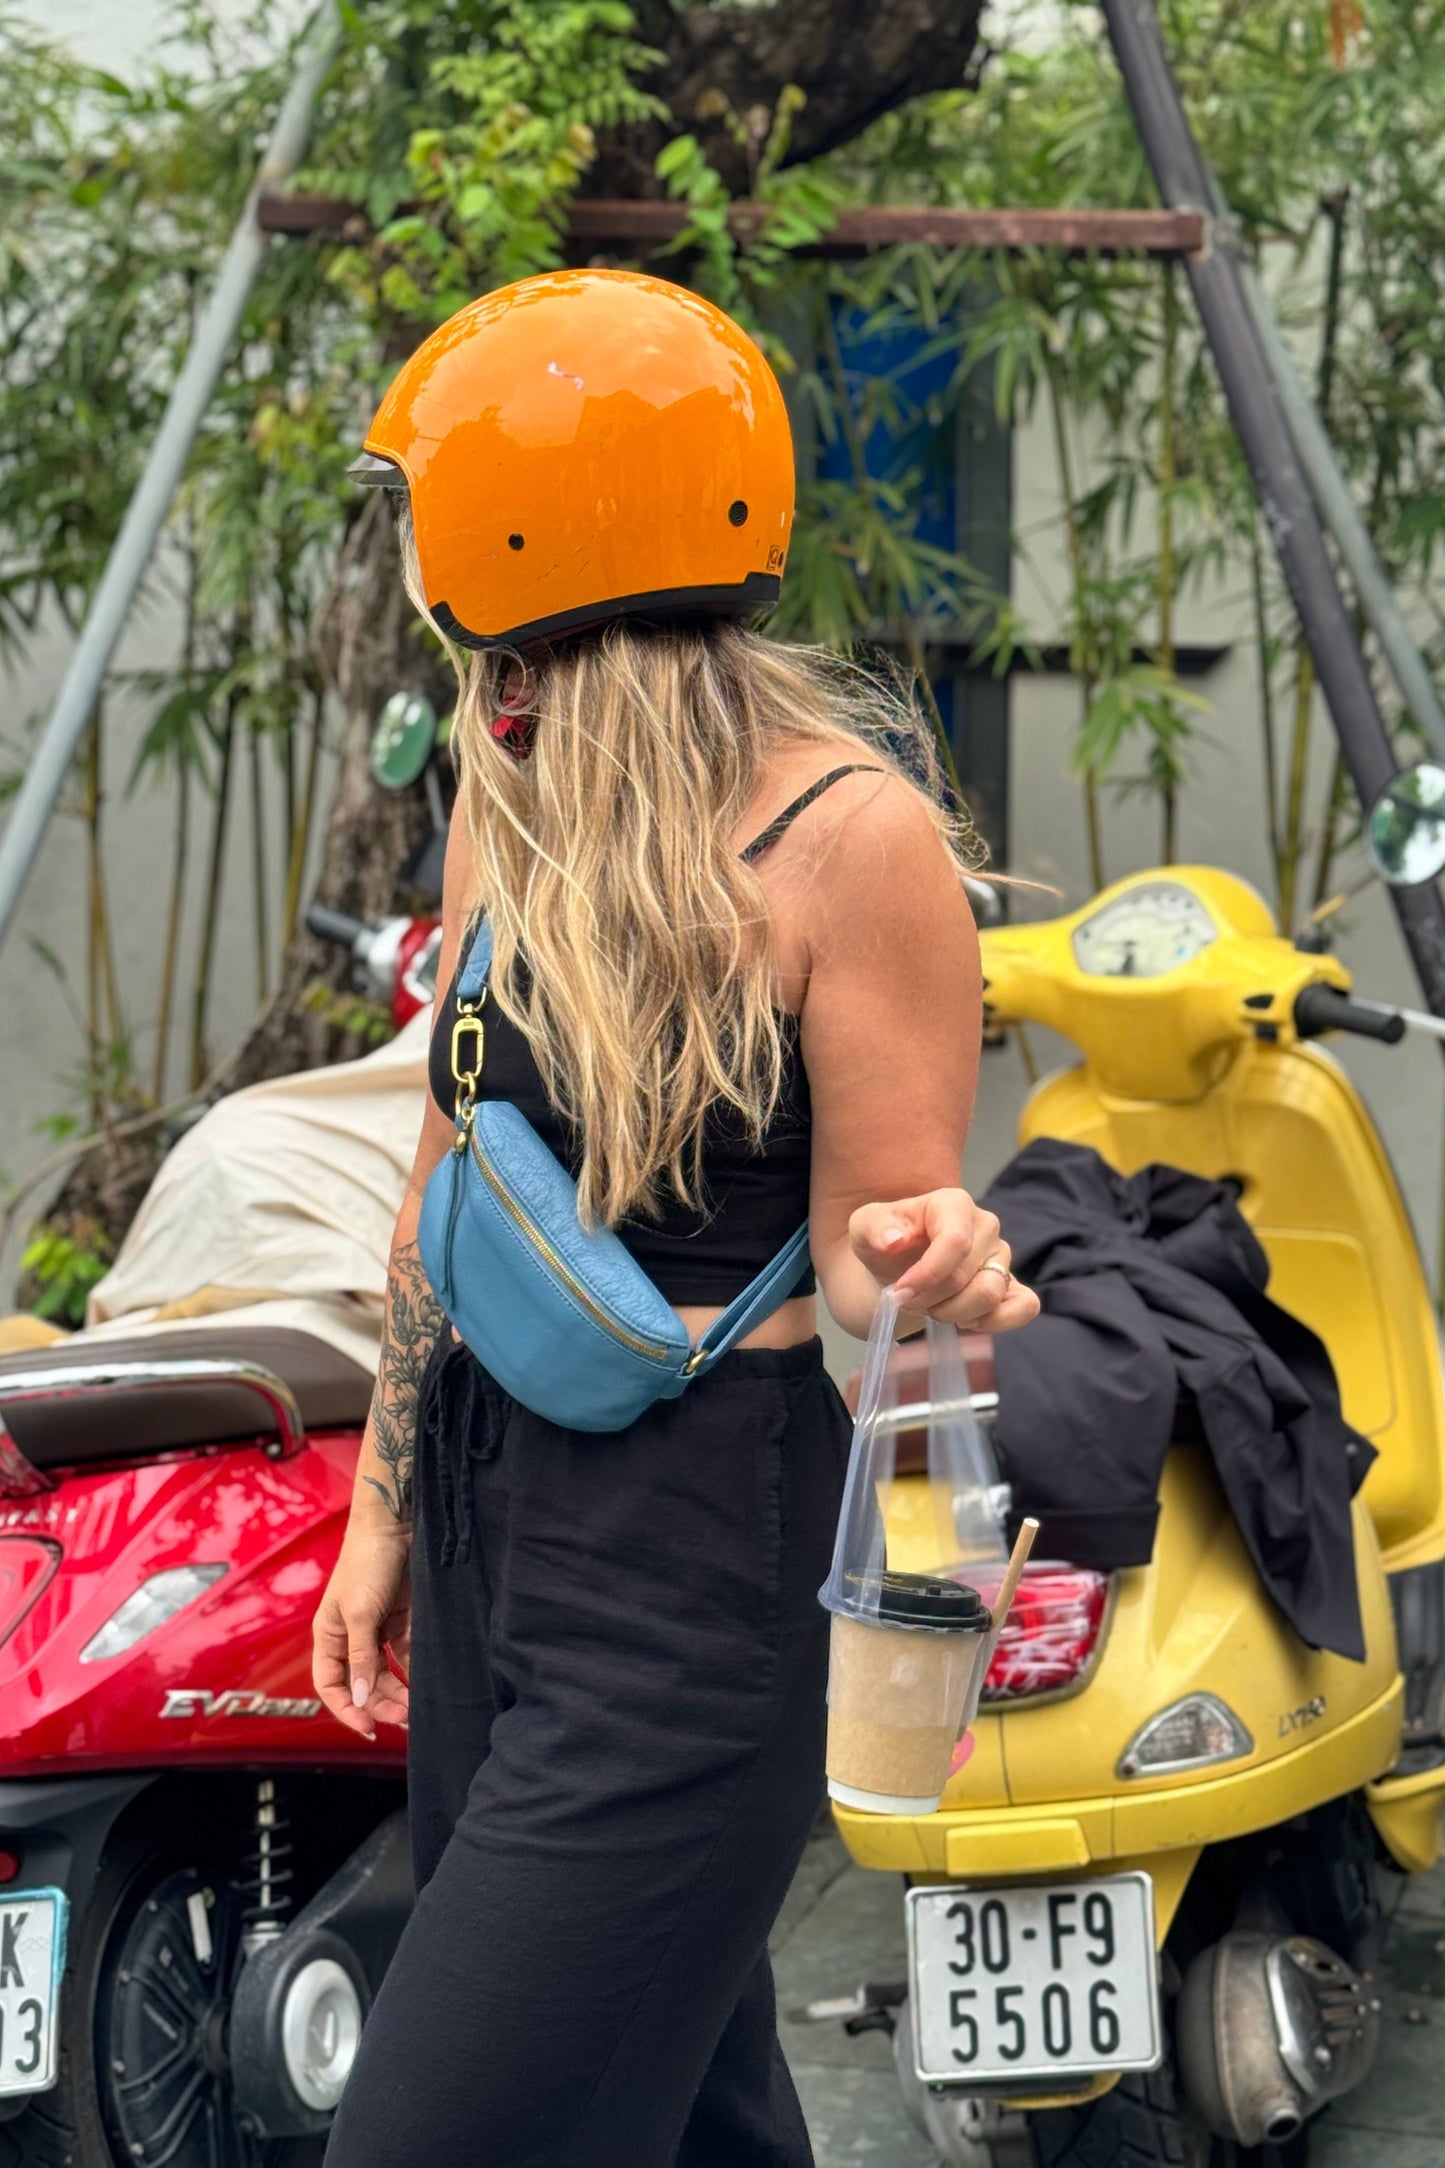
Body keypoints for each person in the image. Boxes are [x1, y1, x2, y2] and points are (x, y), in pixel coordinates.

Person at [312, 267, 1038, 2168]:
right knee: (694, 2121)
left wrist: (941, 1271)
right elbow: (443, 1179)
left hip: (690, 1584)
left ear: (506, 549)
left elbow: (889, 1298)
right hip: (489, 1530)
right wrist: (387, 1513)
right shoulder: (509, 804)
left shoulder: (848, 845)